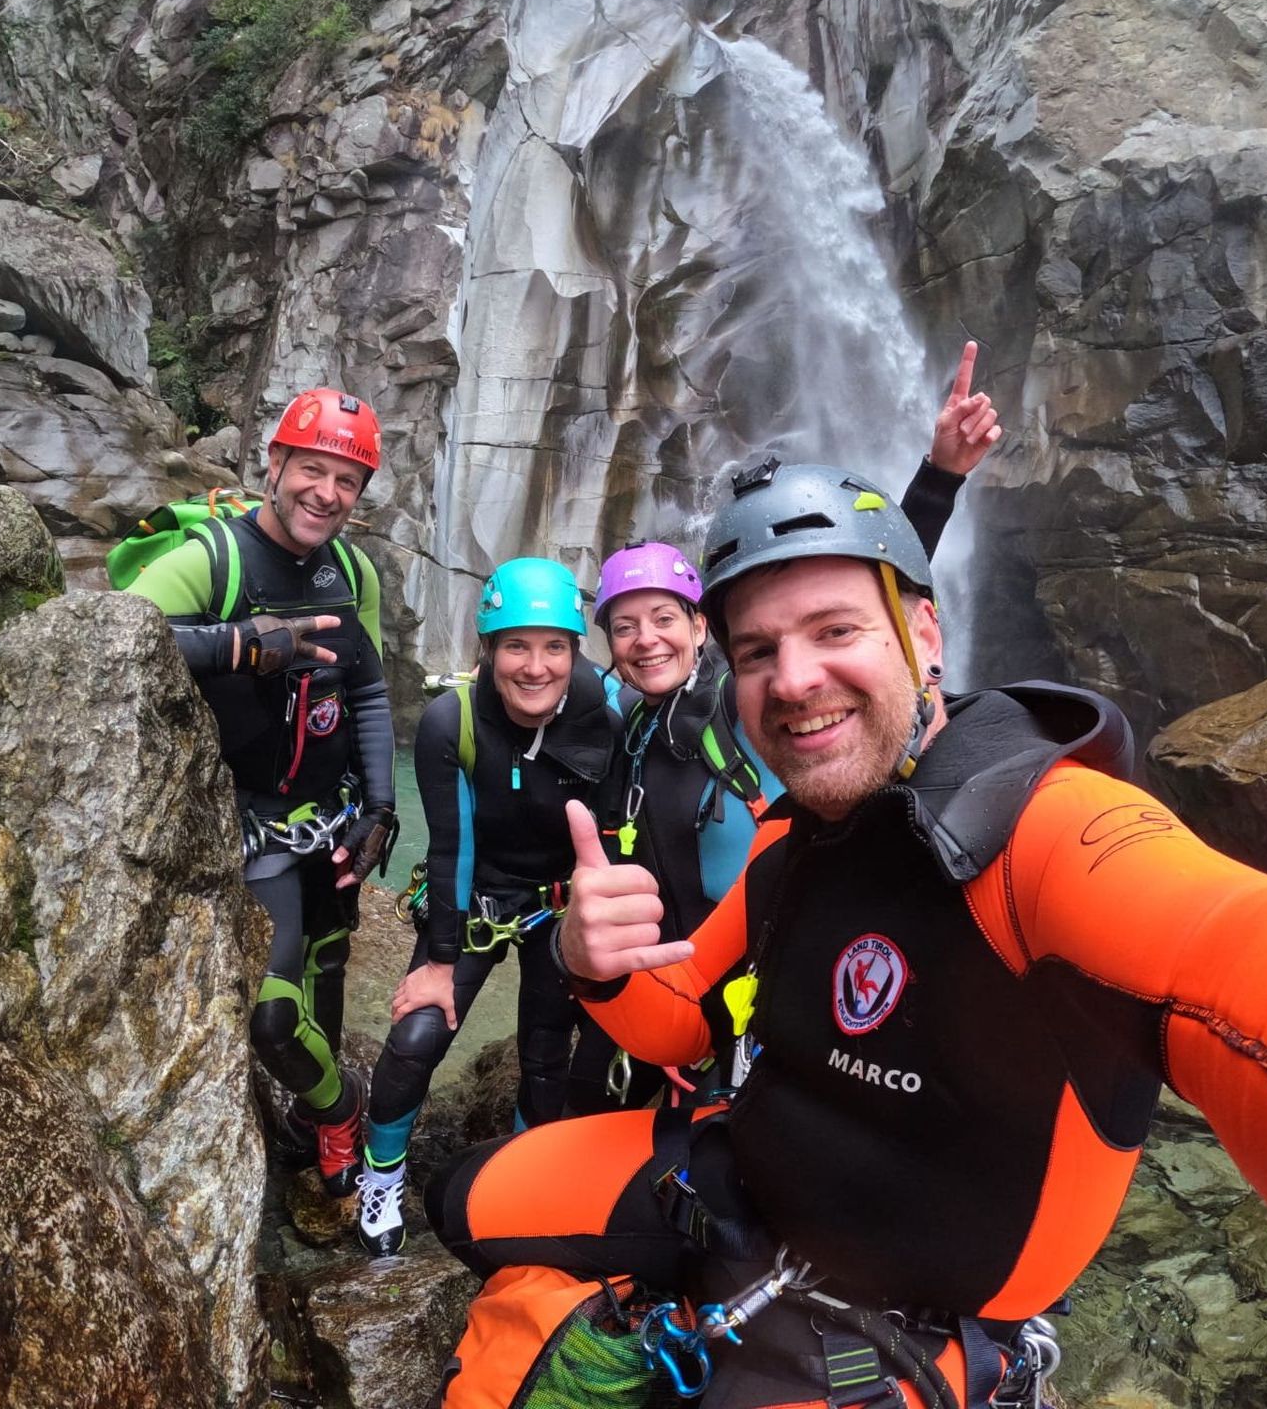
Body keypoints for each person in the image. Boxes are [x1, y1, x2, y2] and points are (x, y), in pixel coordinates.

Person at [426, 457, 1267, 1409]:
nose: (795, 679)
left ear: (923, 632)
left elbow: (1233, 947)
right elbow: (681, 1020)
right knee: (459, 1204)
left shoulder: (1042, 830)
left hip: (907, 1310)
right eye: (758, 651)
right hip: (742, 1187)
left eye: (835, 629)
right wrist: (593, 965)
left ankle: (999, 1371)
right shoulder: (793, 830)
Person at [564, 341, 1003, 1112]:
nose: (646, 640)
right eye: (625, 627)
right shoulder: (628, 720)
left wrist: (939, 479)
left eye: (665, 619)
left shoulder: (741, 696)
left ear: (706, 632)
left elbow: (858, 596)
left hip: (753, 989)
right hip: (668, 980)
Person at [132, 387, 397, 1199]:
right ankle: (343, 1104)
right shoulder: (212, 559)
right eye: (311, 469)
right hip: (249, 825)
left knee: (327, 969)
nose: (327, 493)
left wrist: (384, 807)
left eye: (347, 480)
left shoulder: (353, 571)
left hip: (334, 816)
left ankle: (312, 1134)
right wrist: (240, 644)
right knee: (273, 1016)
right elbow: (109, 635)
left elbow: (369, 694)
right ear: (274, 465)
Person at [356, 557, 618, 1256]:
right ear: (488, 650)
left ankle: (523, 1175)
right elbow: (453, 846)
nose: (535, 666)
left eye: (554, 646)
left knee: (544, 1057)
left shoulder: (609, 711)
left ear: (575, 651)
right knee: (414, 1041)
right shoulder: (454, 720)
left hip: (560, 907)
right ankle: (379, 1176)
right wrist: (441, 961)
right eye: (516, 645)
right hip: (476, 896)